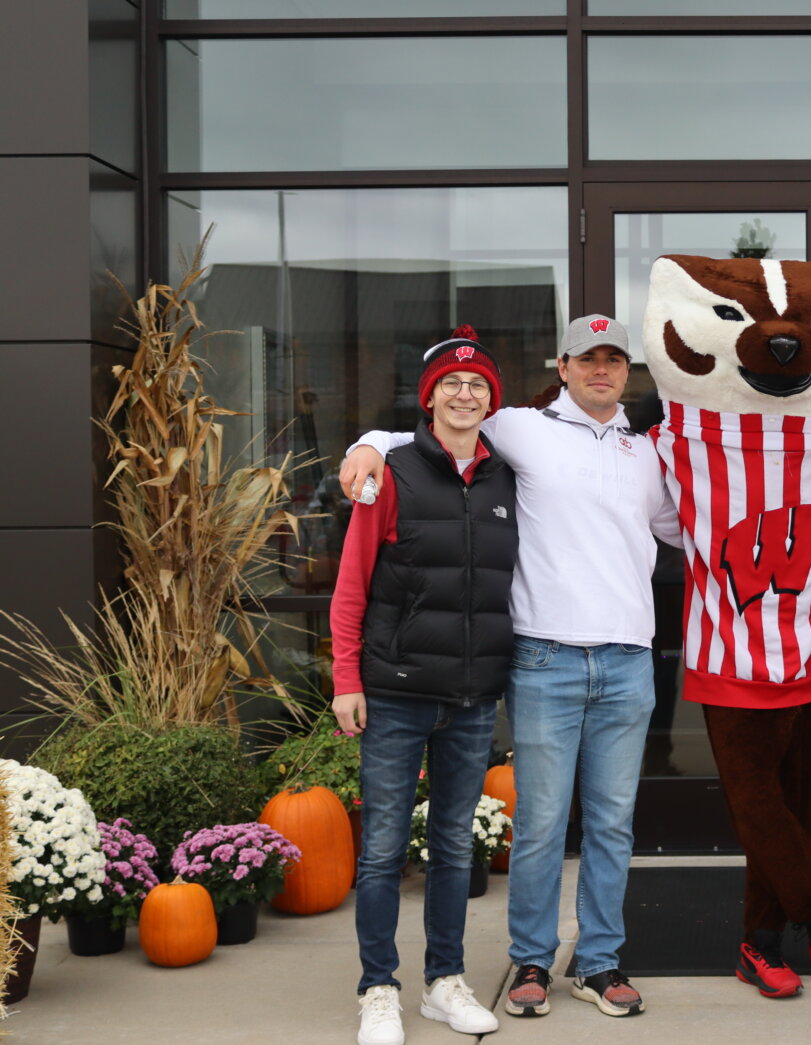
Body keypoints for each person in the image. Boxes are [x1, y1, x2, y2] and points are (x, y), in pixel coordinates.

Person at [339, 315, 678, 1022]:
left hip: (627, 658)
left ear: (628, 372)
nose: (601, 371)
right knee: (544, 820)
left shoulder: (649, 452)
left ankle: (599, 961)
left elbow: (691, 522)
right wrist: (369, 442)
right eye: (588, 360)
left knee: (613, 822)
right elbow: (430, 436)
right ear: (563, 366)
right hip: (545, 654)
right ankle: (530, 958)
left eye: (614, 361)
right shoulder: (521, 426)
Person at [330, 326, 513, 1045]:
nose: (464, 393)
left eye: (477, 385)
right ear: (429, 397)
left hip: (472, 694)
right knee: (380, 848)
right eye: (451, 384)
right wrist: (347, 677)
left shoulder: (506, 478)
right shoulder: (391, 473)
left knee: (454, 845)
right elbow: (350, 587)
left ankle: (444, 981)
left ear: (489, 399)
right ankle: (378, 987)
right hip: (398, 690)